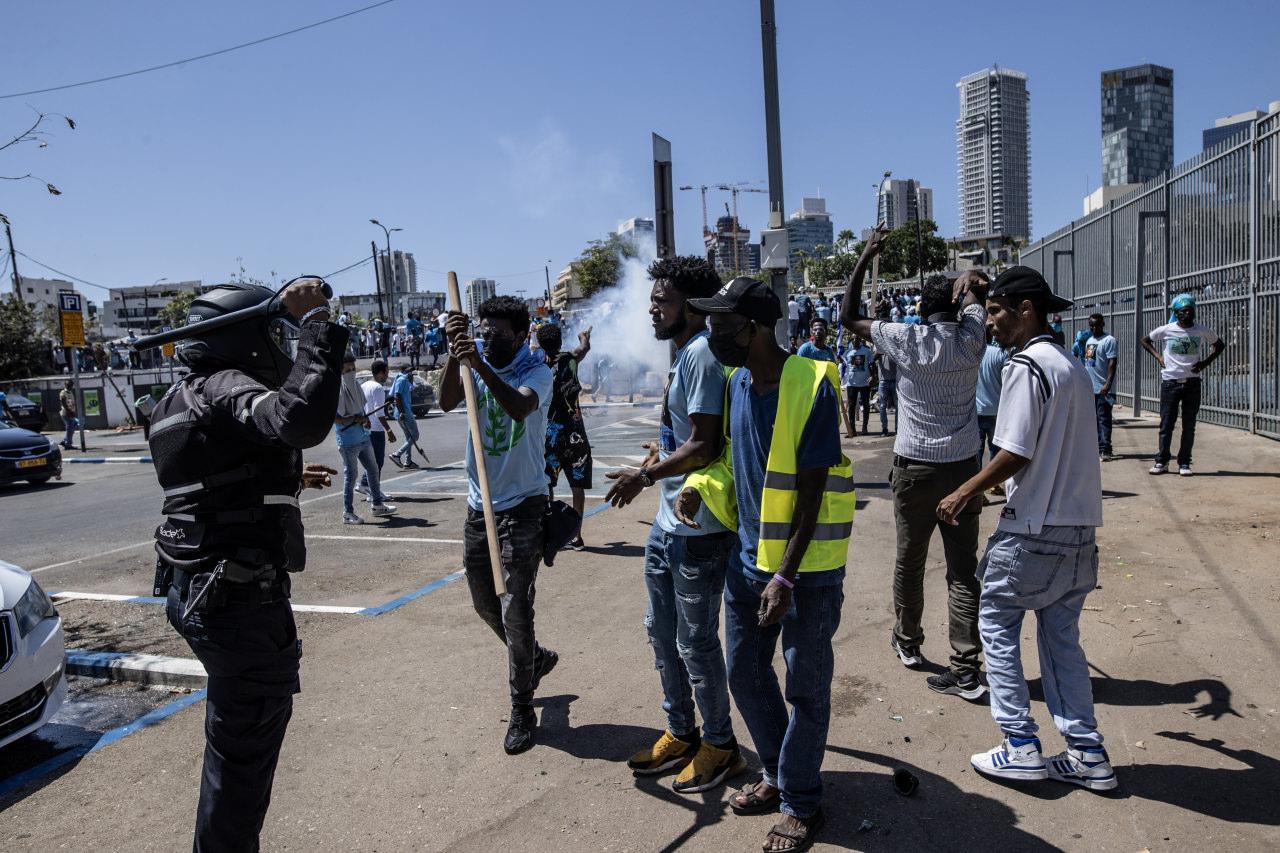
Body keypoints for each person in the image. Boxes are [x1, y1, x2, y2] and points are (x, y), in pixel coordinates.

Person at [146, 278, 346, 850]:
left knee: (233, 749)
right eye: (273, 332)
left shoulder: (174, 398)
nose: (279, 343)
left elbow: (206, 476)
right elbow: (299, 420)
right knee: (241, 763)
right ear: (244, 338)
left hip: (197, 591)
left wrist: (281, 476)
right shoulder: (225, 385)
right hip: (236, 601)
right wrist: (316, 326)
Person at [675, 276, 854, 852]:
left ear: (755, 328)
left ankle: (802, 803)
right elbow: (734, 460)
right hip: (748, 562)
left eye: (722, 325)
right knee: (745, 675)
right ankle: (779, 774)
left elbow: (810, 490)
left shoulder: (811, 385)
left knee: (806, 688)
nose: (712, 334)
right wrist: (700, 482)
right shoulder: (735, 383)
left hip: (805, 573)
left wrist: (786, 575)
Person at [937, 266, 1116, 792]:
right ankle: (1087, 754)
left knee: (995, 624)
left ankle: (1019, 744)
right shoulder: (1071, 366)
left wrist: (964, 490)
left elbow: (1015, 449)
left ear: (1026, 311)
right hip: (1080, 531)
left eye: (996, 312)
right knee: (1062, 643)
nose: (990, 323)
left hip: (1034, 529)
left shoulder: (1026, 366)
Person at [603, 256, 745, 795]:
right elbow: (681, 437)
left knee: (696, 644)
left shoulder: (705, 353)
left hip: (701, 527)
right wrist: (652, 465)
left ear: (689, 306)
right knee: (661, 635)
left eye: (661, 300)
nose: (652, 309)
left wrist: (645, 475)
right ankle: (682, 731)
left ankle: (721, 746)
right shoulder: (686, 353)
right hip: (669, 525)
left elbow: (705, 444)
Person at [840, 230, 988, 700]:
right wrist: (966, 285)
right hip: (963, 468)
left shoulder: (905, 338)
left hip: (915, 468)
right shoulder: (974, 337)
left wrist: (864, 258)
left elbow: (849, 317)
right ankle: (966, 665)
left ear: (920, 312)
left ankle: (908, 641)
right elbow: (977, 297)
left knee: (910, 560)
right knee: (963, 571)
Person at [441, 295, 559, 755]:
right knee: (485, 606)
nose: (488, 339)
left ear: (521, 332)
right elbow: (448, 400)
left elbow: (518, 408)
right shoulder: (472, 361)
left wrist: (479, 365)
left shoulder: (537, 371)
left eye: (497, 333)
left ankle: (521, 707)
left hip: (524, 506)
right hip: (480, 504)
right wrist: (456, 356)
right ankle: (533, 657)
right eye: (482, 331)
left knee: (515, 608)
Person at [1142, 294, 1225, 476]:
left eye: (1189, 310)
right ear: (1176, 313)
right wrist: (1158, 357)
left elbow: (1219, 345)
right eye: (1182, 311)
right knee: (1166, 425)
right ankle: (1162, 461)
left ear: (1193, 311)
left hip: (1192, 383)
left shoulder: (1201, 330)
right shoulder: (1167, 329)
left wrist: (1204, 363)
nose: (1186, 313)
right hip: (1170, 383)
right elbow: (1145, 340)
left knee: (1189, 425)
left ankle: (1184, 463)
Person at [538, 323, 593, 550]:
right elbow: (584, 347)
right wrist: (584, 336)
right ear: (560, 342)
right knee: (577, 486)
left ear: (541, 345)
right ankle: (576, 535)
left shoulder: (537, 366)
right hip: (574, 433)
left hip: (549, 433)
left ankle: (548, 533)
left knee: (547, 484)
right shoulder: (570, 359)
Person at [335, 354, 397, 524]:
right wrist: (353, 419)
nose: (352, 372)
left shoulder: (355, 384)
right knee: (351, 476)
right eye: (348, 370)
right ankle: (347, 513)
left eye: (353, 369)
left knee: (373, 469)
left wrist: (365, 420)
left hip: (363, 437)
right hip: (347, 442)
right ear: (340, 370)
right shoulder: (336, 390)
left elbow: (361, 409)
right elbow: (335, 419)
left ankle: (377, 504)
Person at [357, 359, 397, 501]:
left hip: (365, 428)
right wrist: (389, 430)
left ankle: (366, 485)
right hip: (376, 429)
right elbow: (379, 413)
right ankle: (374, 492)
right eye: (386, 372)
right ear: (380, 373)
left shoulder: (364, 385)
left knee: (371, 461)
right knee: (377, 462)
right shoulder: (378, 388)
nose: (387, 375)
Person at [1083, 314, 1118, 461]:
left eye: (1097, 325)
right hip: (1091, 388)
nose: (1094, 328)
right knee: (1094, 419)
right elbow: (1088, 363)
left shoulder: (1109, 340)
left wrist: (1107, 384)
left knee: (1104, 419)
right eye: (1091, 325)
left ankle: (1106, 449)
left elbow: (1112, 363)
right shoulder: (1089, 341)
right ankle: (1097, 446)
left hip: (1103, 388)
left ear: (1103, 324)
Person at [976, 335, 1010, 465]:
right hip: (996, 410)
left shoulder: (973, 354)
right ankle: (994, 483)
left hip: (976, 410)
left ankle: (977, 480)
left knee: (977, 449)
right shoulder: (1001, 354)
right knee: (995, 448)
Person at [388, 364, 421, 469]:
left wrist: (411, 380)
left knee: (409, 437)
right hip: (405, 413)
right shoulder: (401, 380)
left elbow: (410, 389)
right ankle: (397, 454)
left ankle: (408, 461)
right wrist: (402, 412)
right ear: (405, 371)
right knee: (415, 435)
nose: (412, 373)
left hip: (404, 412)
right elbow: (397, 396)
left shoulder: (406, 380)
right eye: (410, 371)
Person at [841, 336, 873, 438]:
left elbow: (872, 364)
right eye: (853, 339)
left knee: (866, 406)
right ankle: (852, 430)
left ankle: (865, 427)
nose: (855, 340)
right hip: (851, 383)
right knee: (851, 407)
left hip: (865, 382)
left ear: (861, 341)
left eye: (857, 339)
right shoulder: (847, 353)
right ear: (851, 341)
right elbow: (844, 365)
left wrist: (873, 376)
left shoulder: (867, 351)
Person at [874, 347, 897, 437]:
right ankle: (884, 428)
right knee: (882, 406)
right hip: (883, 381)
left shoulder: (893, 347)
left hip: (895, 380)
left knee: (897, 406)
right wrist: (878, 353)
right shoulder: (879, 349)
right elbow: (872, 360)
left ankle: (897, 429)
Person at [59, 380, 79, 449]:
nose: (70, 386)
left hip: (71, 413)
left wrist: (73, 412)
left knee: (74, 424)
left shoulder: (70, 393)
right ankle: (68, 444)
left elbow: (71, 403)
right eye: (68, 385)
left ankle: (65, 441)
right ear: (65, 385)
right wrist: (69, 412)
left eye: (71, 385)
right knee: (69, 428)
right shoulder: (63, 392)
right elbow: (63, 403)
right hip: (66, 413)